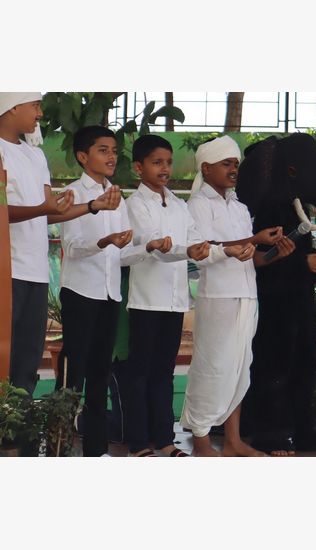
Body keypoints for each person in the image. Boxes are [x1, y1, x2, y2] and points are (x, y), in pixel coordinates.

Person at [1, 93, 121, 398]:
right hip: (7, 270)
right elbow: (8, 212)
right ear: (12, 106)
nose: (40, 113)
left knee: (27, 362)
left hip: (36, 272)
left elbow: (50, 208)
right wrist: (45, 209)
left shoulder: (34, 155)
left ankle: (19, 438)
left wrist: (94, 205)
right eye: (35, 105)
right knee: (4, 357)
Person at [180, 136, 294, 457]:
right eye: (226, 164)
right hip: (217, 296)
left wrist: (275, 253)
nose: (233, 170)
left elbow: (251, 256)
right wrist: (253, 237)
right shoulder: (198, 205)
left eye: (235, 164)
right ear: (206, 168)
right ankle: (201, 438)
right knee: (212, 366)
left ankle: (233, 440)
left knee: (239, 369)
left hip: (246, 294)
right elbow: (204, 250)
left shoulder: (241, 208)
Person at [58, 125, 165, 456]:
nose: (111, 156)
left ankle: (94, 450)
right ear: (82, 156)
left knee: (100, 374)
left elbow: (121, 254)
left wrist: (148, 247)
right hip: (80, 292)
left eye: (114, 151)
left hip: (108, 295)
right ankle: (60, 445)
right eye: (103, 150)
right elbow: (72, 247)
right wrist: (104, 241)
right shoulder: (73, 193)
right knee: (74, 373)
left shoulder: (117, 199)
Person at [122, 134, 211, 457]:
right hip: (146, 301)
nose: (164, 168)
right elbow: (153, 249)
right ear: (138, 167)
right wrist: (183, 249)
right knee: (141, 374)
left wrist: (200, 249)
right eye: (157, 162)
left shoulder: (178, 204)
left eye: (168, 162)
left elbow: (193, 239)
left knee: (164, 373)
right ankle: (138, 442)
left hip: (174, 302)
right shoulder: (133, 205)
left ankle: (165, 440)